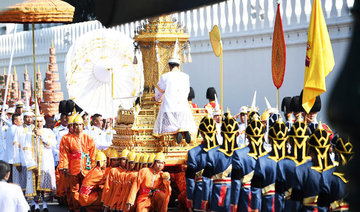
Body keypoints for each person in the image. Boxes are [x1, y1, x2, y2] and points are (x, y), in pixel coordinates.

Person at [153, 42, 196, 144]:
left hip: (169, 109)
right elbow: (187, 92)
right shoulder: (186, 76)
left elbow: (159, 92)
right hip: (183, 108)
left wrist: (157, 99)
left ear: (169, 66)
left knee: (166, 119)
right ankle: (183, 130)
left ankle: (178, 132)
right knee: (181, 118)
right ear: (179, 65)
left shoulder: (165, 76)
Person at [291, 124, 335, 211]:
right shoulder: (336, 172)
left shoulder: (301, 170)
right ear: (330, 149)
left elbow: (295, 202)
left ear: (310, 150)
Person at [201, 113, 239, 211]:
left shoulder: (212, 153)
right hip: (240, 198)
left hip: (219, 196)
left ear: (221, 133)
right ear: (237, 133)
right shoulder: (244, 154)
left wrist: (205, 200)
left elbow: (206, 180)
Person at [250, 118, 288, 212]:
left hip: (268, 204)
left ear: (270, 139)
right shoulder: (292, 163)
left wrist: (255, 208)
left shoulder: (262, 161)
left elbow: (256, 190)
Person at [230, 114, 266, 212]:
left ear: (247, 136)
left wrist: (234, 203)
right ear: (263, 135)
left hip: (246, 199)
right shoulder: (268, 156)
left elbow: (236, 183)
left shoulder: (238, 154)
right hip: (265, 199)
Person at [61, 114, 96, 212]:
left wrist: (93, 166)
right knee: (74, 189)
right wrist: (65, 166)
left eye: (80, 125)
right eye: (76, 125)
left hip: (86, 168)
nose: (78, 127)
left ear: (83, 126)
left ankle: (85, 206)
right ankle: (75, 208)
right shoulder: (67, 138)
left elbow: (93, 153)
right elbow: (64, 154)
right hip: (73, 168)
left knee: (86, 188)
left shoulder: (89, 138)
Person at [186, 115, 218, 211]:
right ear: (216, 132)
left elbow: (190, 181)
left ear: (201, 133)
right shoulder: (222, 152)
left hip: (200, 193)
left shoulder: (193, 153)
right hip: (220, 193)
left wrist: (190, 198)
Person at [4, 113, 23, 183]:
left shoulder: (10, 128)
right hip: (14, 159)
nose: (22, 121)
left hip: (9, 158)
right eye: (20, 119)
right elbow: (18, 144)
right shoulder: (16, 129)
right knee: (14, 180)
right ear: (15, 121)